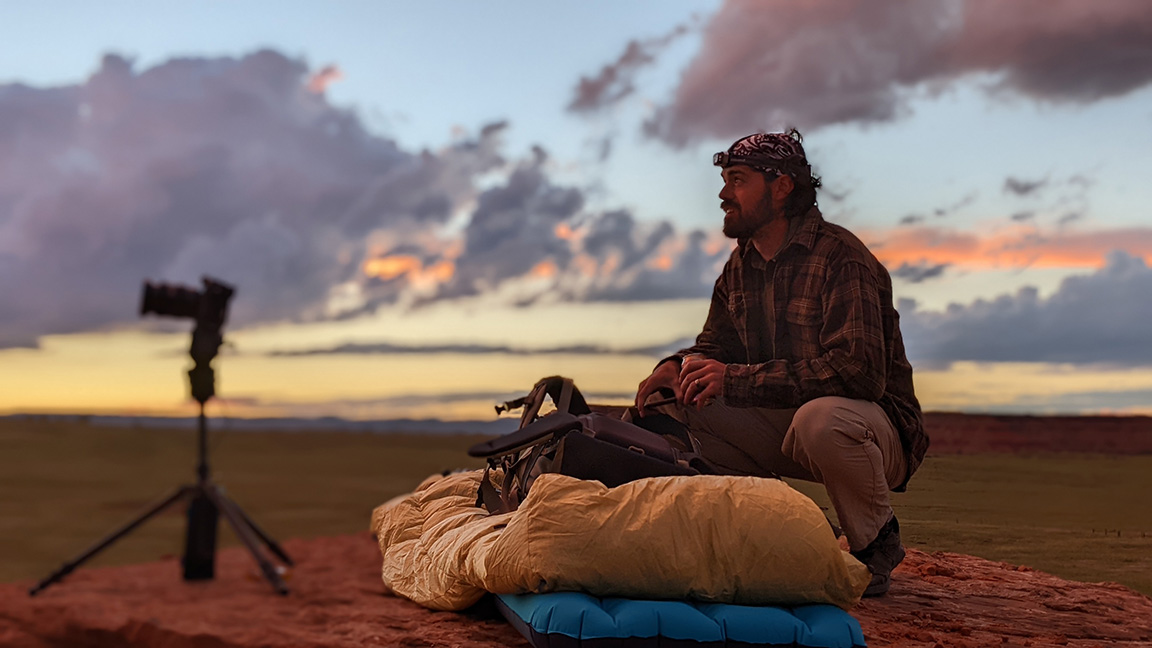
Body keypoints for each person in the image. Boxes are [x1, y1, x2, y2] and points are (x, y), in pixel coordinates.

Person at [635, 128, 928, 597]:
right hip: (787, 423)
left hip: (871, 430)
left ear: (782, 186)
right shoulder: (740, 266)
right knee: (679, 402)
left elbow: (859, 374)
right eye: (726, 180)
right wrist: (679, 365)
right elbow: (714, 347)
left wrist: (736, 380)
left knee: (823, 418)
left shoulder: (841, 256)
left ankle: (875, 544)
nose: (724, 194)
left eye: (738, 180)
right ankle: (762, 529)